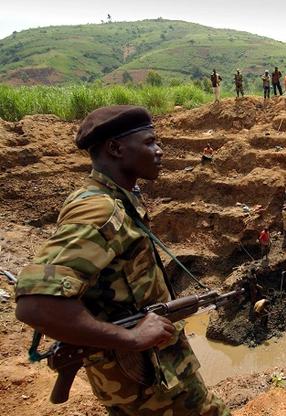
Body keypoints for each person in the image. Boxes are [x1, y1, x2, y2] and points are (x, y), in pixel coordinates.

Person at [14, 105, 229, 416]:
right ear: (115, 148)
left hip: (145, 375)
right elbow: (35, 304)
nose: (159, 150)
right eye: (149, 142)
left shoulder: (115, 198)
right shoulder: (101, 211)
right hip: (150, 385)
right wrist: (130, 338)